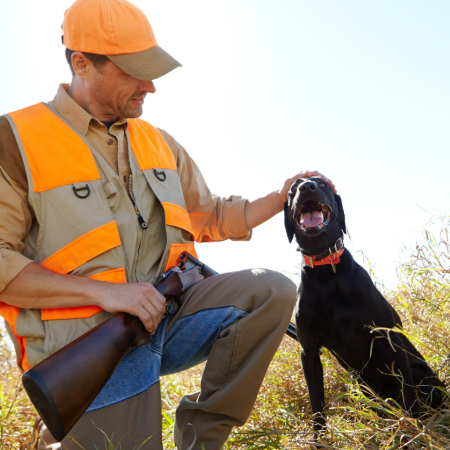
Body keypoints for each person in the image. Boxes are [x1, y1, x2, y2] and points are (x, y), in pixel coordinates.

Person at [0, 0, 335, 448]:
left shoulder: (158, 142)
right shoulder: (15, 140)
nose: (151, 86)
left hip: (168, 318)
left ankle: (201, 437)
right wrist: (109, 294)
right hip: (86, 343)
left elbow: (210, 216)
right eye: (134, 71)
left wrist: (281, 196)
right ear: (82, 64)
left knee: (271, 290)